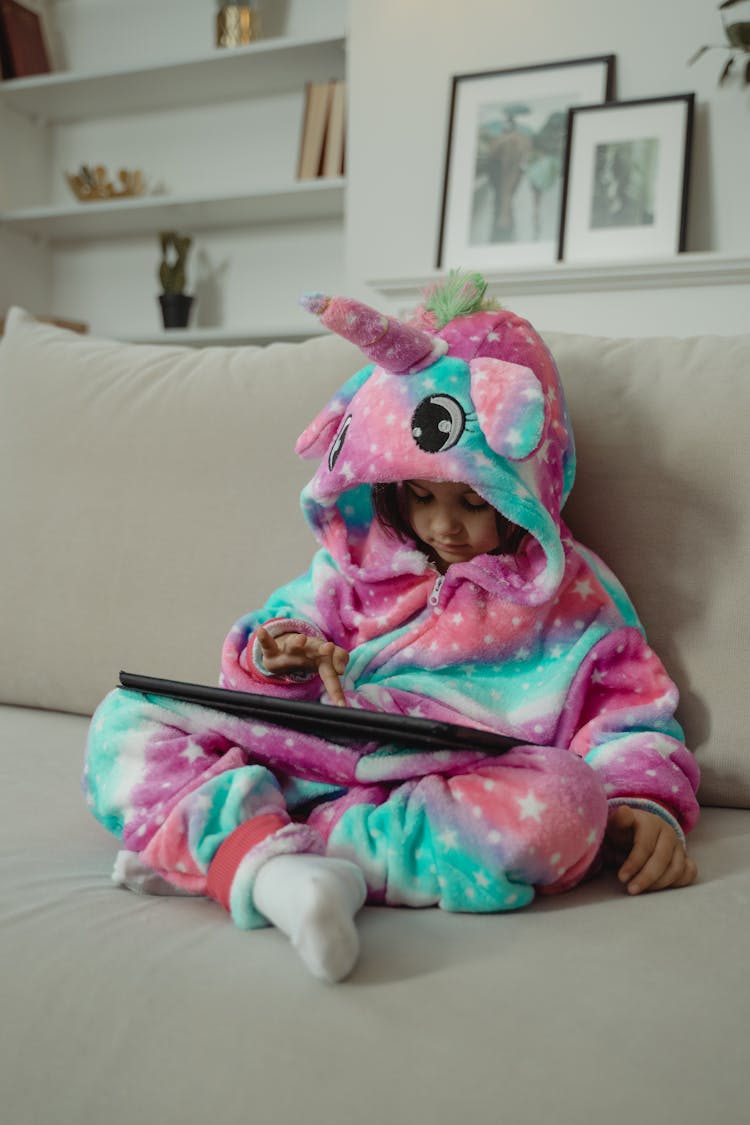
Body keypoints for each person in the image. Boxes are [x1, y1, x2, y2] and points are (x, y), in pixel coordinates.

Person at [83, 272, 699, 984]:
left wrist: (640, 799)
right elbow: (278, 636)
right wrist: (275, 652)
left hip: (445, 786)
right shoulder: (356, 564)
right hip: (306, 753)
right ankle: (264, 864)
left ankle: (245, 853)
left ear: (525, 484)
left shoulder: (575, 596)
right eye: (422, 496)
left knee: (568, 807)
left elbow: (630, 712)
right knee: (124, 718)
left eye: (472, 500)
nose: (444, 526)